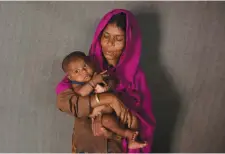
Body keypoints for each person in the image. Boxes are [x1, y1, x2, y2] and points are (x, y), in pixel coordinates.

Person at [56, 9, 156, 153]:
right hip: (87, 145)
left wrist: (113, 131)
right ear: (99, 36)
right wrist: (108, 99)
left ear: (129, 43)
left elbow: (145, 125)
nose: (110, 44)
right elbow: (66, 102)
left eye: (119, 39)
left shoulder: (136, 77)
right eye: (106, 36)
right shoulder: (85, 68)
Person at [61, 51, 147, 149]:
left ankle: (132, 140)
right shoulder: (76, 85)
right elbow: (81, 93)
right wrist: (94, 82)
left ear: (90, 63)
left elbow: (112, 82)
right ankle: (126, 134)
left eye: (85, 66)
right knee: (108, 122)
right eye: (76, 71)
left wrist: (106, 87)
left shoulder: (96, 73)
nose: (83, 72)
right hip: (101, 115)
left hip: (112, 111)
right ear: (70, 77)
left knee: (133, 119)